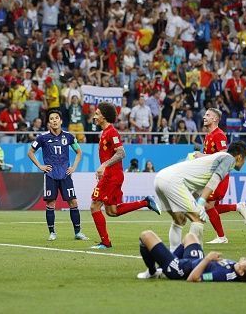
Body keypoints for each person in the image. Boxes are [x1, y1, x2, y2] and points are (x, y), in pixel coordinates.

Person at [155, 141, 246, 251]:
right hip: (173, 182)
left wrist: (196, 202)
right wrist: (200, 204)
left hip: (161, 178)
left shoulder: (214, 159)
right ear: (239, 157)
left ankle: (173, 258)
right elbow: (215, 180)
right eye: (245, 159)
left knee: (179, 220)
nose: (244, 162)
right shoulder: (229, 159)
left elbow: (197, 189)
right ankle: (195, 257)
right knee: (198, 219)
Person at [89, 102, 160, 249]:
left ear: (103, 116)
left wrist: (104, 166)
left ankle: (105, 242)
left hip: (112, 176)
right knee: (112, 211)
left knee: (95, 206)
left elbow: (121, 153)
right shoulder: (104, 132)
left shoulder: (112, 132)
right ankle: (145, 202)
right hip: (110, 175)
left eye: (97, 114)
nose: (94, 117)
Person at [136, 230, 246, 282]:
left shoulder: (222, 275)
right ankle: (161, 267)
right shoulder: (241, 272)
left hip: (181, 269)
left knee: (146, 235)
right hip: (193, 260)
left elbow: (193, 279)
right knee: (190, 237)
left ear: (242, 272)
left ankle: (153, 270)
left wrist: (208, 259)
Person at [27, 109, 88, 241]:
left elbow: (79, 152)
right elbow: (30, 152)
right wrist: (40, 166)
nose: (54, 121)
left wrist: (74, 167)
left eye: (56, 118)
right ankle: (52, 232)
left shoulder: (69, 136)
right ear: (48, 122)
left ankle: (78, 232)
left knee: (73, 202)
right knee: (51, 203)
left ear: (60, 121)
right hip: (50, 175)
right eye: (51, 119)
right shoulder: (42, 138)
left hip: (65, 174)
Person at [194, 108, 246, 244]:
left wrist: (202, 156)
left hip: (219, 176)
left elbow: (223, 155)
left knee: (207, 205)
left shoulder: (219, 135)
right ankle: (237, 207)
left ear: (215, 119)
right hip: (211, 176)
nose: (205, 117)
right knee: (211, 207)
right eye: (205, 114)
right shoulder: (208, 135)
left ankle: (222, 237)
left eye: (208, 115)